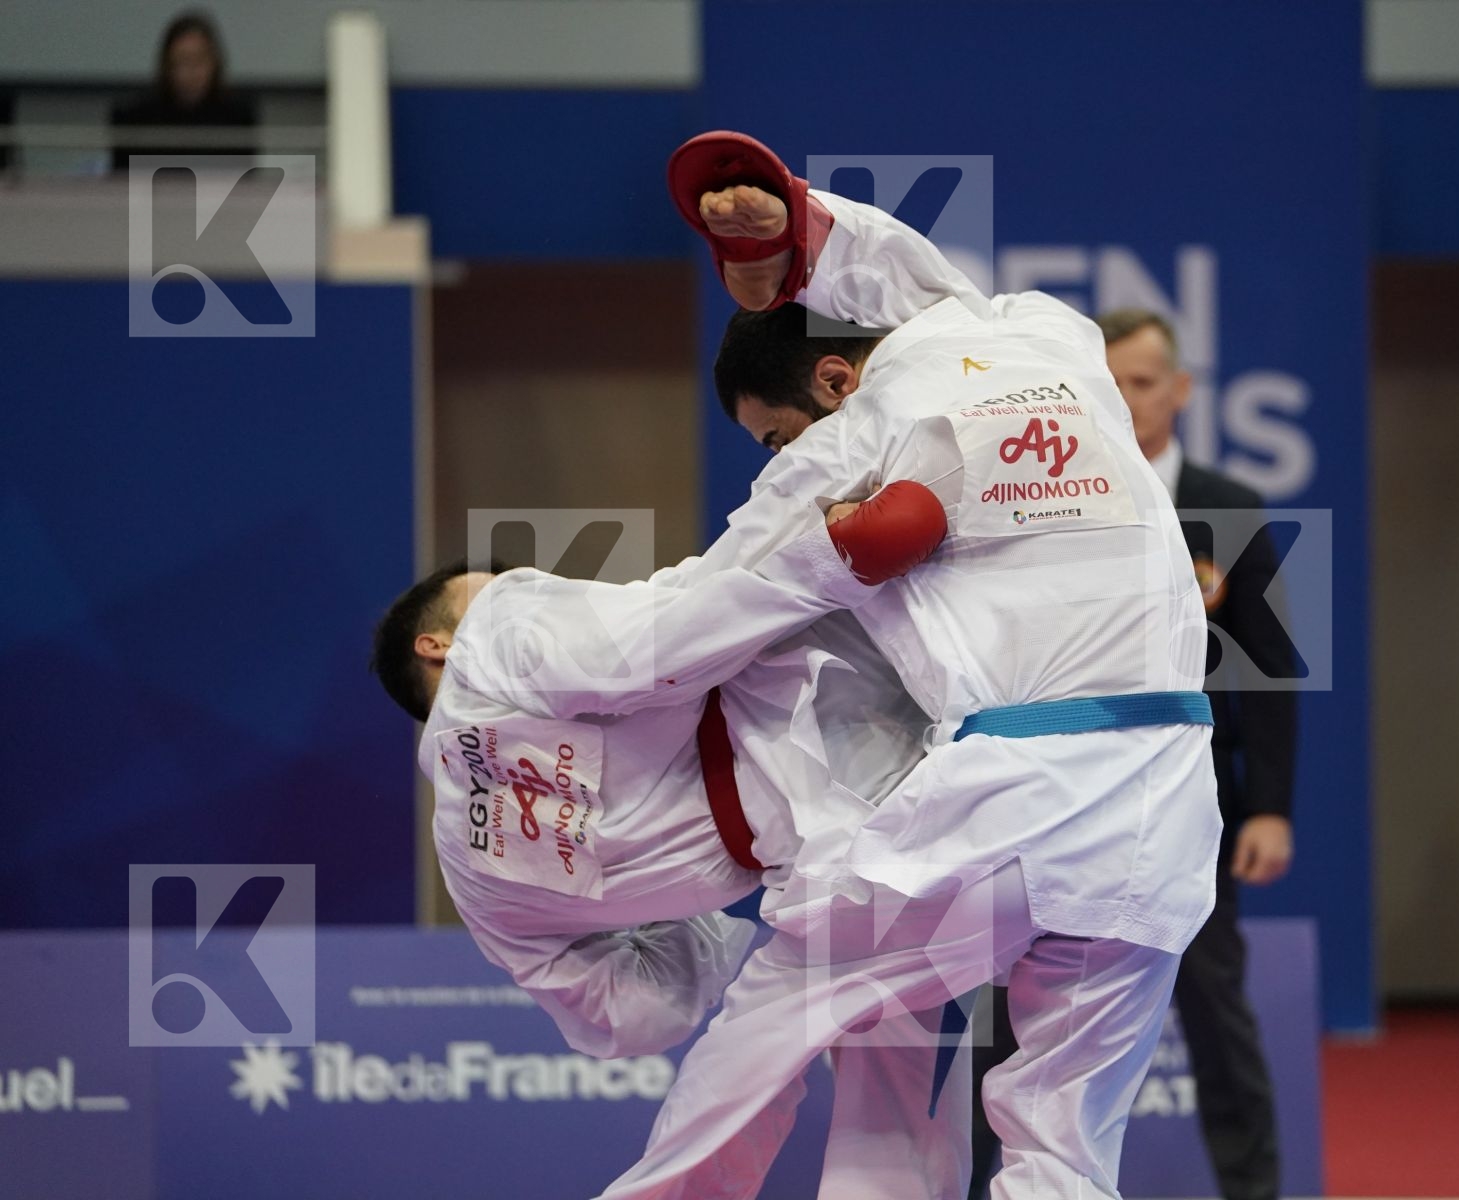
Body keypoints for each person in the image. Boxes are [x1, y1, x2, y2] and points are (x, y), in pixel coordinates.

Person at [591, 132, 1222, 1200]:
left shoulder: (849, 444)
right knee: (1065, 1151)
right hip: (1165, 812)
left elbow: (692, 619)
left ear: (831, 381)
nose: (781, 458)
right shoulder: (1051, 336)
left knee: (789, 987)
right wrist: (795, 225)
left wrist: (512, 651)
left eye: (775, 436)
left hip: (1012, 801)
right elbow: (924, 284)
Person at [372, 481, 963, 1198]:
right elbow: (656, 639)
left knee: (852, 1108)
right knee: (905, 1115)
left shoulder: (474, 874)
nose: (553, 594)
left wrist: (672, 908)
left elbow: (634, 1016)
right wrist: (829, 556)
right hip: (906, 720)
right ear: (436, 644)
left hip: (851, 858)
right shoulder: (495, 632)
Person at [965, 308, 1297, 1200]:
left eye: (1144, 382)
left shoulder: (1226, 510)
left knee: (1214, 1006)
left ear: (1182, 391)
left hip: (1188, 806)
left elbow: (1268, 670)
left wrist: (1268, 806)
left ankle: (1254, 1191)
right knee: (1013, 1013)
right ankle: (969, 1183)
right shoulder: (1048, 492)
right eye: (1107, 384)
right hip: (1057, 800)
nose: (1126, 400)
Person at [111, 11, 255, 171]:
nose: (191, 70)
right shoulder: (136, 116)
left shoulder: (237, 116)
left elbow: (246, 183)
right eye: (183, 60)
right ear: (167, 65)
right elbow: (122, 183)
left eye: (199, 60)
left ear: (215, 62)